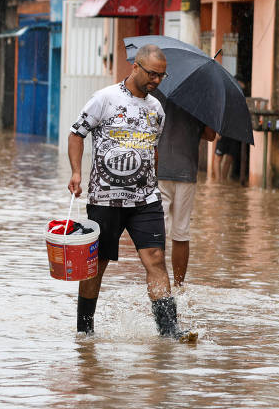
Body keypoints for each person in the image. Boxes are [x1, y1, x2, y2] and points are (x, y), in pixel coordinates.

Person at [68, 44, 194, 341]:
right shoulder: (104, 99)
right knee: (95, 266)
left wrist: (152, 181)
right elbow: (77, 134)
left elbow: (152, 150)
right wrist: (76, 171)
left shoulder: (156, 109)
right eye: (152, 74)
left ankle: (169, 330)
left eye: (162, 76)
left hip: (146, 200)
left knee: (155, 258)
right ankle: (85, 331)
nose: (157, 80)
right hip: (105, 199)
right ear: (135, 67)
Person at [156, 101, 215, 288]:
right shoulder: (200, 99)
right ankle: (179, 286)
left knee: (157, 232)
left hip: (159, 170)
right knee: (181, 232)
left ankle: (158, 283)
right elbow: (211, 135)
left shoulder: (155, 93)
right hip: (186, 172)